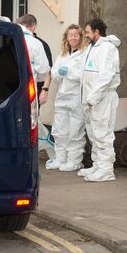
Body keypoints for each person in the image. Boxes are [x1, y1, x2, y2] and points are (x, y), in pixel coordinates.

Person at [78, 18, 121, 182]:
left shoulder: (108, 48)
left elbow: (106, 76)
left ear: (97, 31)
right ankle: (97, 165)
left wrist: (93, 98)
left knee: (103, 133)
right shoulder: (93, 48)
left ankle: (106, 170)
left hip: (102, 98)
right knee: (93, 134)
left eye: (88, 32)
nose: (86, 35)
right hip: (91, 100)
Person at [46, 24, 89, 172]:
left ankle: (74, 161)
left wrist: (68, 72)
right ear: (67, 37)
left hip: (76, 97)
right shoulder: (63, 54)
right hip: (62, 96)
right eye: (70, 35)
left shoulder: (85, 53)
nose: (73, 38)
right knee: (59, 130)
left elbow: (85, 75)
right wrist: (60, 72)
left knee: (75, 131)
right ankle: (60, 158)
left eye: (76, 35)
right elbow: (54, 73)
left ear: (81, 36)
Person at [16, 14, 51, 105]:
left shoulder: (8, 39)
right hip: (27, 91)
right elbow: (44, 71)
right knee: (29, 117)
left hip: (6, 92)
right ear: (33, 27)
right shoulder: (36, 44)